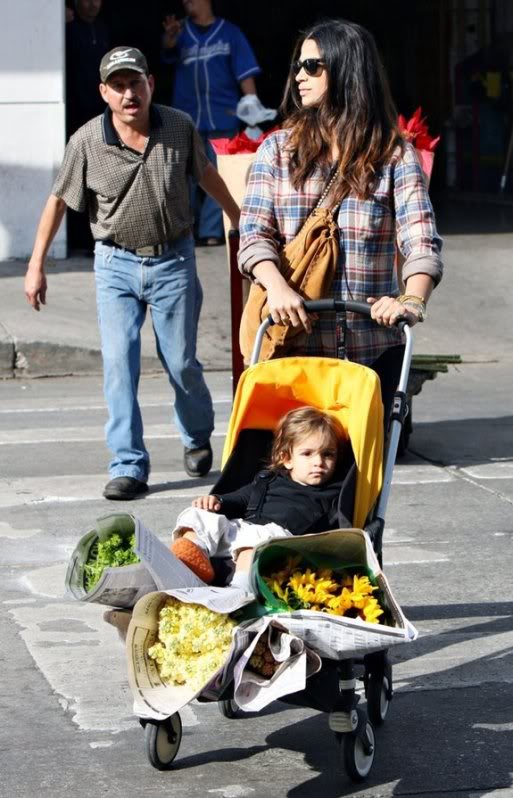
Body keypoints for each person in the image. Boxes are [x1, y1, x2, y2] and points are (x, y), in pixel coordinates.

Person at [24, 46, 240, 500]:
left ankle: (197, 435)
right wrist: (36, 265)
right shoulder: (86, 141)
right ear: (104, 92)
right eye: (118, 86)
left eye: (135, 83)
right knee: (119, 364)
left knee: (181, 362)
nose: (128, 93)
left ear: (150, 85)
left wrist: (240, 220)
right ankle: (128, 463)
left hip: (174, 260)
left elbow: (205, 174)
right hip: (115, 265)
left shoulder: (178, 126)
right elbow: (58, 201)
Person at [237, 19, 443, 422]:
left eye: (313, 66)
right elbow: (254, 236)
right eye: (298, 65)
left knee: (364, 480)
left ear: (347, 69)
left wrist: (410, 301)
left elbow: (421, 241)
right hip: (294, 351)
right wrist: (277, 288)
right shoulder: (277, 151)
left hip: (371, 352)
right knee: (300, 474)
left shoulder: (395, 157)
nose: (299, 76)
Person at [170, 406, 353, 591]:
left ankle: (239, 589)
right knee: (198, 514)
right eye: (307, 454)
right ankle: (193, 553)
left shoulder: (334, 491)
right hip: (244, 531)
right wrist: (218, 501)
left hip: (280, 544)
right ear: (287, 459)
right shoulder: (269, 479)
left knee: (255, 543)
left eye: (328, 454)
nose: (318, 462)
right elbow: (241, 498)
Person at [162, 0, 261, 245]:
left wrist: (253, 113)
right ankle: (187, 229)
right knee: (185, 176)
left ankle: (211, 233)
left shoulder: (229, 33)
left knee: (218, 176)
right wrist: (170, 38)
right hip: (186, 118)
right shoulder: (180, 31)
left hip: (222, 115)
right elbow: (166, 52)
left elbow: (246, 74)